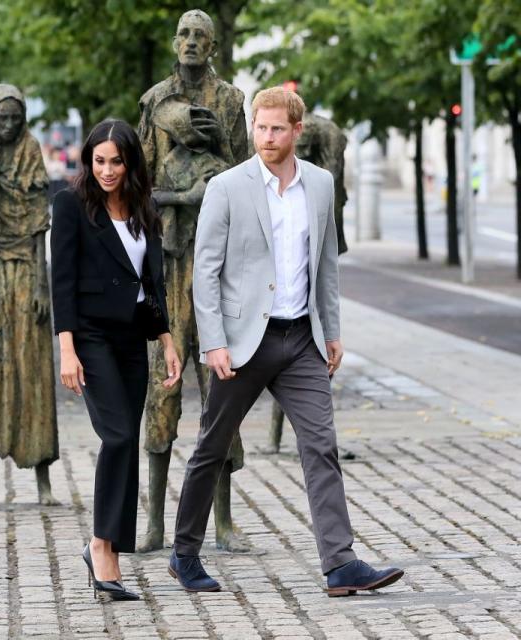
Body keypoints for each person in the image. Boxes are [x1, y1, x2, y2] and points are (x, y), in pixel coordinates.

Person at [168, 86, 403, 597]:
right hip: (243, 341)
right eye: (260, 127)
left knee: (321, 446)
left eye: (277, 129)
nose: (267, 137)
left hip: (301, 341)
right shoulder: (227, 187)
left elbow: (325, 266)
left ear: (297, 131)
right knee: (212, 447)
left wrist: (332, 330)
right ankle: (184, 554)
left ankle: (340, 564)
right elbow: (204, 272)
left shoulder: (319, 185)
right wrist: (213, 342)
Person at [51, 119, 181, 601]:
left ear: (131, 162)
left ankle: (108, 547)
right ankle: (102, 547)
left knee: (127, 441)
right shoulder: (71, 205)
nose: (106, 170)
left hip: (132, 338)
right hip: (90, 337)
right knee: (120, 435)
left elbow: (152, 282)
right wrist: (66, 347)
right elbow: (61, 281)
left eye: (115, 161)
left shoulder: (144, 207)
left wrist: (166, 339)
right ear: (89, 161)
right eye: (99, 161)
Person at [136, 8, 250, 553]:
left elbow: (244, 177)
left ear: (213, 46)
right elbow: (138, 185)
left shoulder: (229, 101)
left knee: (220, 387)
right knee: (164, 383)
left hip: (219, 265)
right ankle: (156, 519)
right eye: (183, 34)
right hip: (168, 260)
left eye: (200, 36)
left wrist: (213, 149)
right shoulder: (154, 102)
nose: (189, 43)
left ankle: (222, 519)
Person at [0, 84, 59, 506]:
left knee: (32, 368)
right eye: (1, 118)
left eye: (15, 118)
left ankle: (42, 480)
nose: (8, 125)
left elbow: (40, 224)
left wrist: (42, 284)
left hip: (26, 271)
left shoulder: (31, 150)